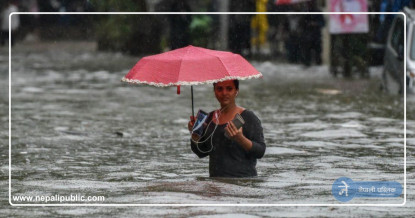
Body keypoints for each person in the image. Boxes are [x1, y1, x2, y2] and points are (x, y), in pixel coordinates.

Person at [187, 80, 266, 177]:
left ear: (236, 91)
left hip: (243, 183)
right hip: (216, 184)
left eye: (229, 89)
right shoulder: (209, 118)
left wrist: (240, 138)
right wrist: (195, 137)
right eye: (219, 89)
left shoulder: (248, 117)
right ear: (214, 91)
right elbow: (202, 153)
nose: (224, 93)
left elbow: (260, 151)